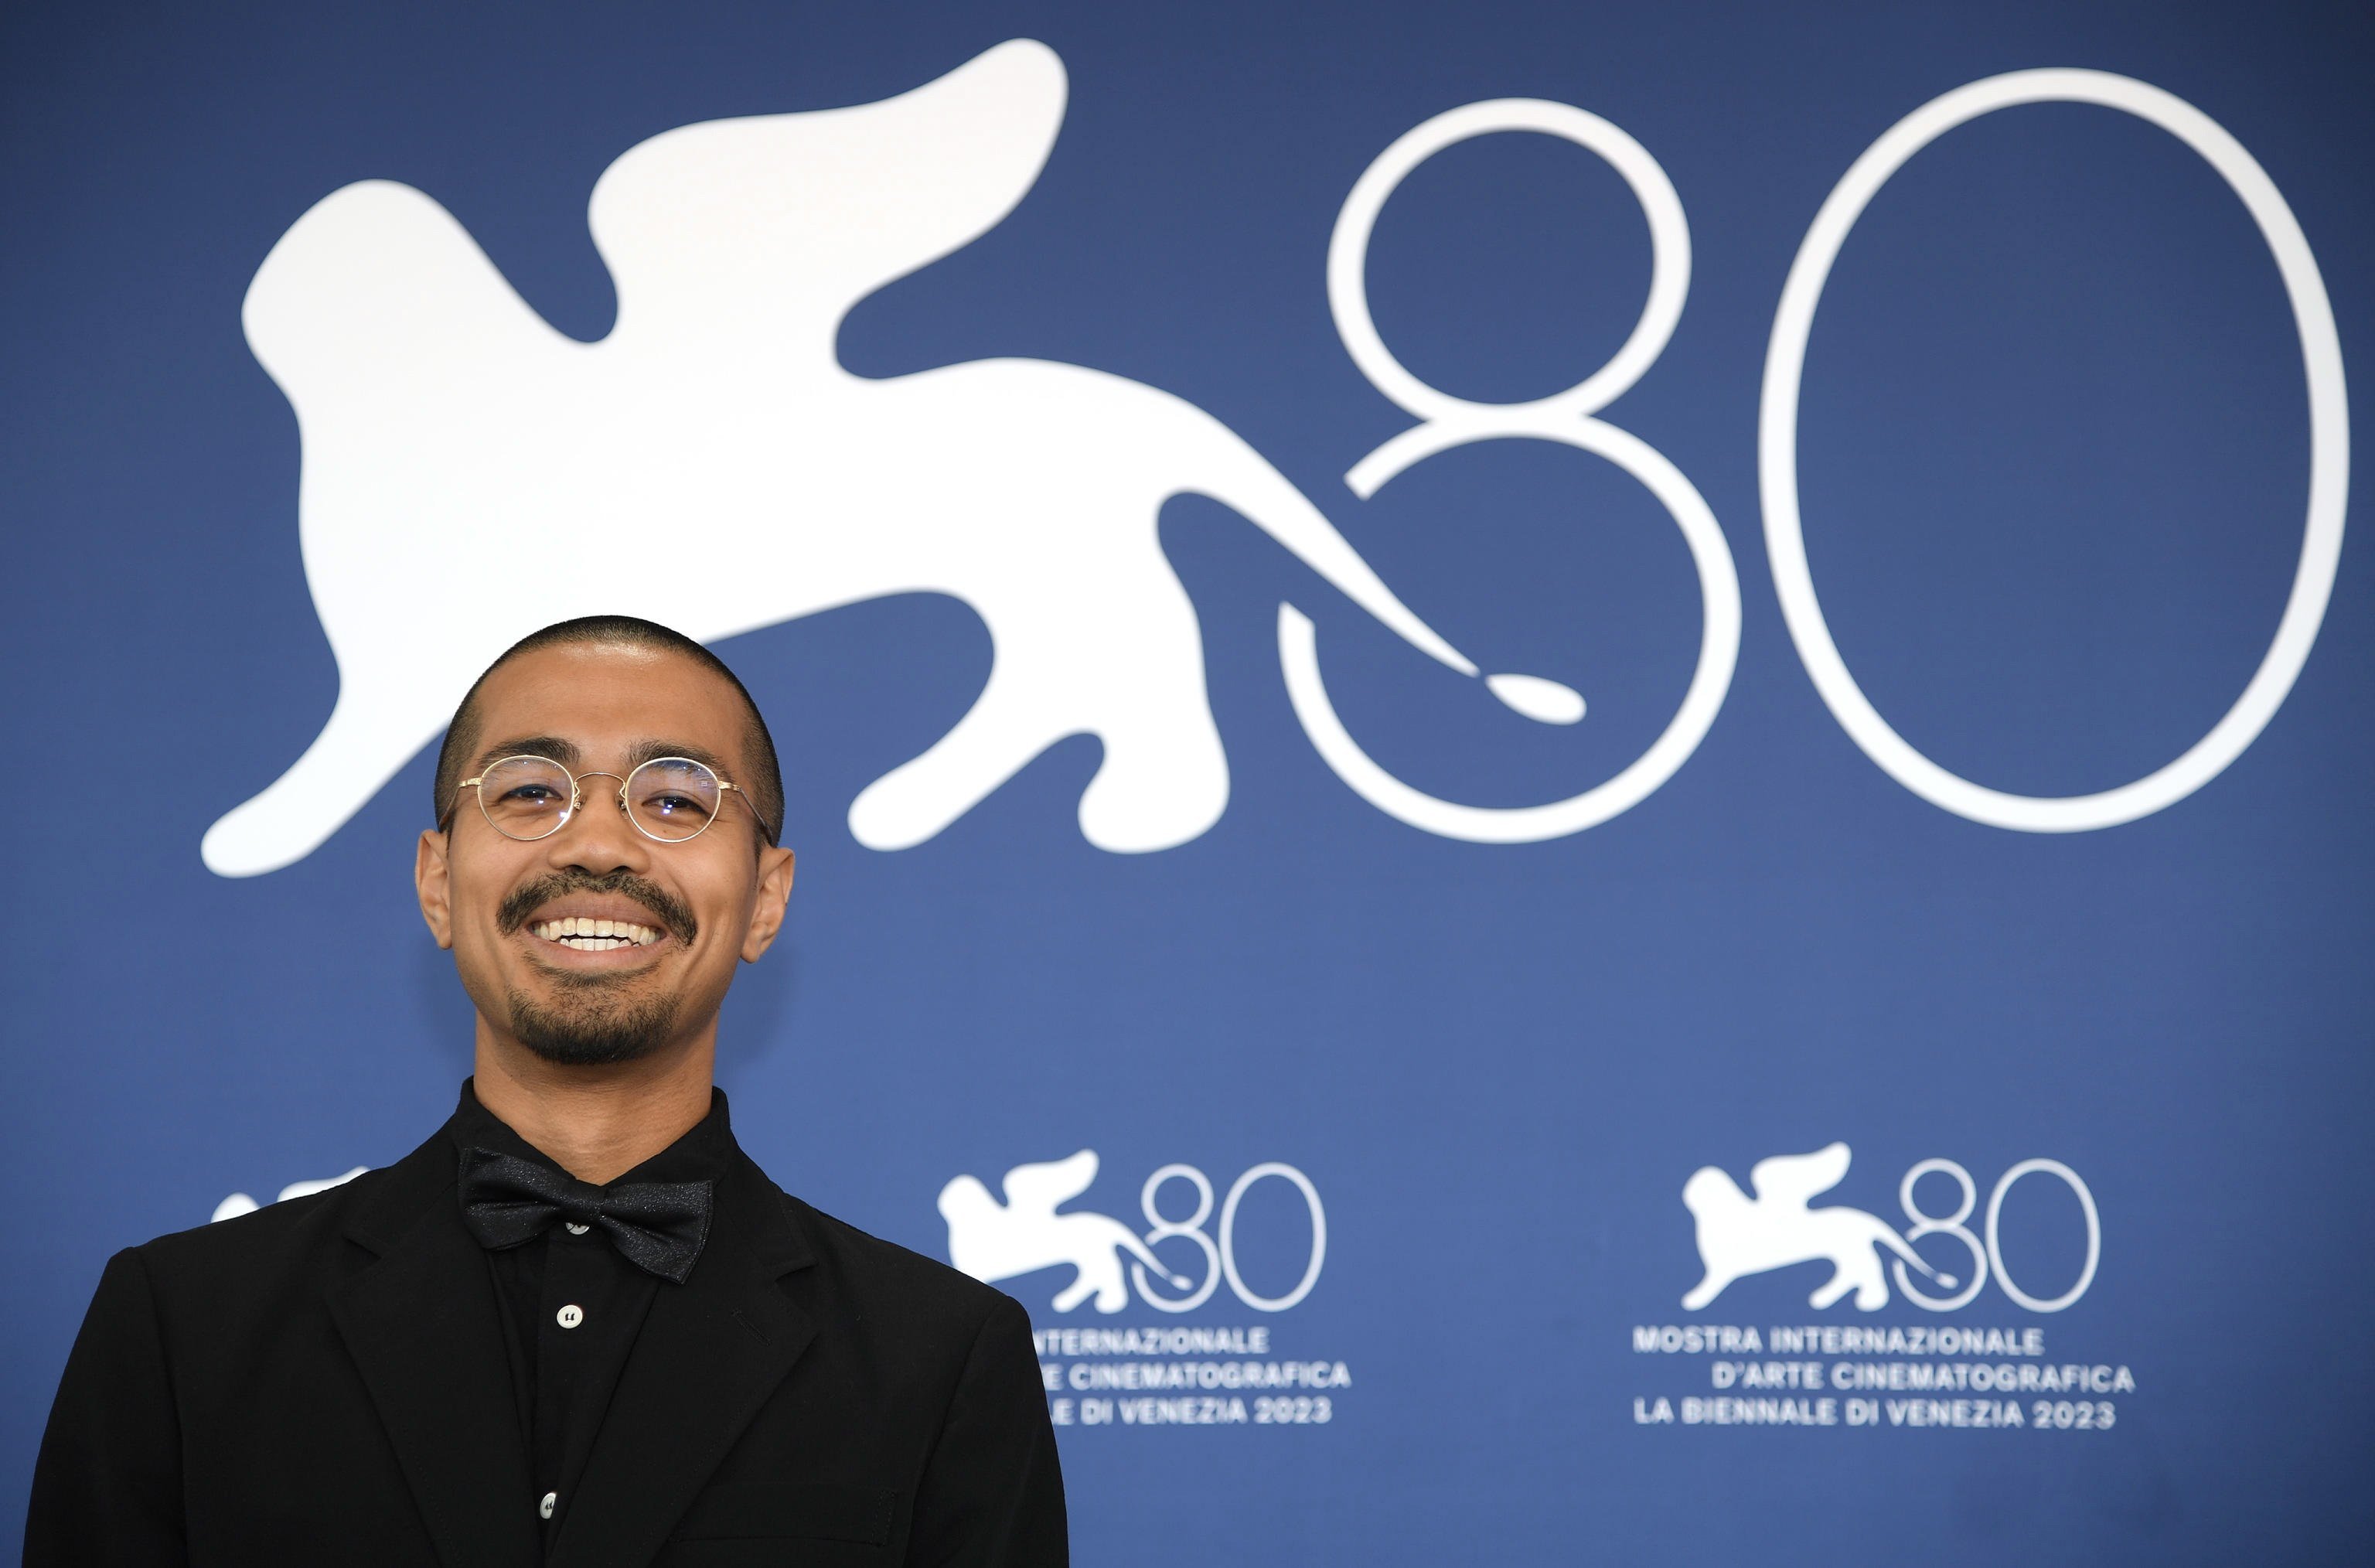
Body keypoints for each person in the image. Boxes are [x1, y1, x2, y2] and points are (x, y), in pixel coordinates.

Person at [26, 615, 1067, 1566]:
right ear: (438, 882)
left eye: (673, 799)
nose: (600, 843)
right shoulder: (181, 1330)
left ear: (766, 899)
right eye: (530, 791)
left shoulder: (942, 1362)